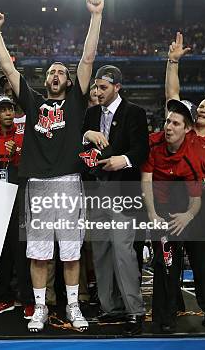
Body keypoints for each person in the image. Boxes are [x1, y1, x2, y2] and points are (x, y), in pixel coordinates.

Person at [0, 0, 104, 332]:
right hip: (37, 184)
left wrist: (96, 16)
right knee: (39, 253)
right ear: (45, 80)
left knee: (70, 253)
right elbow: (8, 68)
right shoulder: (33, 103)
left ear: (69, 82)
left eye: (61, 72)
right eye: (51, 71)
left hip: (68, 182)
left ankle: (72, 306)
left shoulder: (77, 104)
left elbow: (88, 58)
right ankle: (39, 308)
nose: (55, 74)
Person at [165, 32, 205, 326]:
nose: (202, 109)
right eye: (201, 105)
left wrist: (197, 181)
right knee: (168, 260)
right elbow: (172, 97)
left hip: (200, 205)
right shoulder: (184, 130)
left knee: (204, 260)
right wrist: (172, 62)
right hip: (170, 199)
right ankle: (171, 305)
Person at [81, 65, 149, 336]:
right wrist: (86, 136)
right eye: (96, 87)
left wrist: (123, 160)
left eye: (103, 88)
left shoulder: (135, 113)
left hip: (122, 192)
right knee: (101, 252)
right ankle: (110, 307)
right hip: (96, 190)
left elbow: (141, 149)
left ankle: (134, 310)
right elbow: (82, 149)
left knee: (123, 253)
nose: (97, 92)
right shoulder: (90, 114)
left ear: (117, 87)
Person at [141, 99, 203, 333]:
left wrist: (187, 215)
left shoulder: (192, 158)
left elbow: (195, 200)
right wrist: (153, 214)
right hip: (149, 201)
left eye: (175, 123)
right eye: (167, 121)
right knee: (162, 259)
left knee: (167, 259)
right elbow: (145, 180)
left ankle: (166, 316)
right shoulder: (153, 143)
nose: (168, 126)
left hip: (175, 206)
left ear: (187, 129)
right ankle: (167, 307)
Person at [0, 95, 34, 319]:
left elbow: (31, 168)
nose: (8, 113)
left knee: (22, 251)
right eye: (2, 110)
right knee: (1, 253)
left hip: (20, 199)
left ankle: (28, 300)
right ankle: (4, 298)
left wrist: (16, 156)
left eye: (10, 109)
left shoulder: (23, 140)